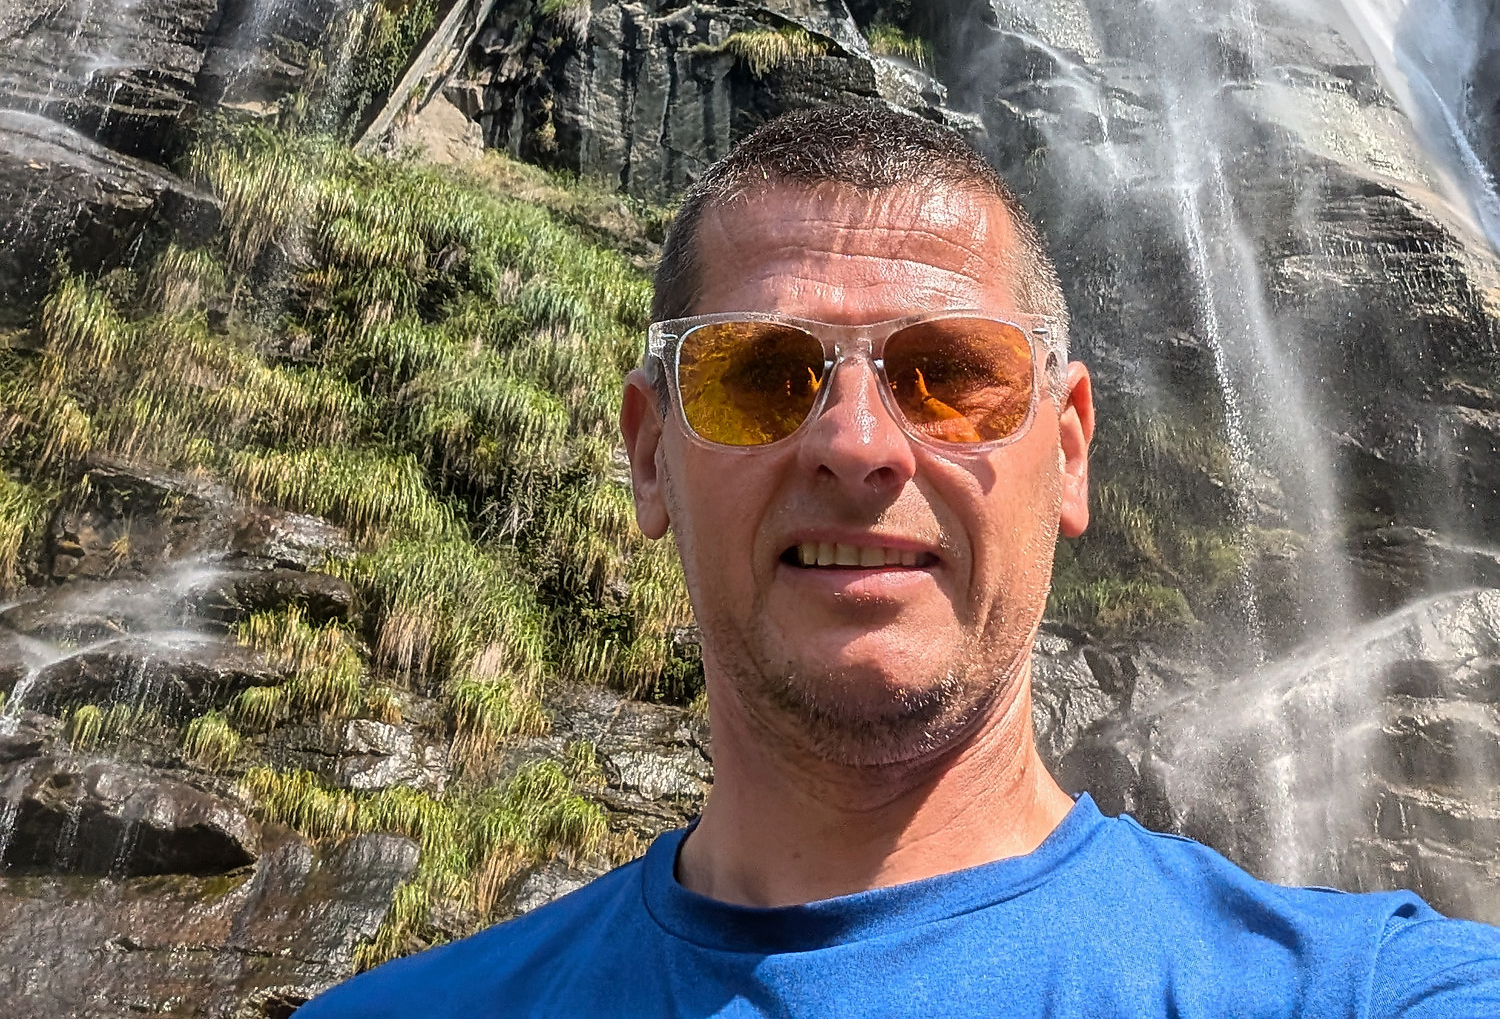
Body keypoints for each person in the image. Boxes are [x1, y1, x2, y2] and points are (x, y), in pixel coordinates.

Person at [306, 102, 1500, 1015]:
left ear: (1068, 451)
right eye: (760, 372)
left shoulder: (1373, 990)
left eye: (954, 372)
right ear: (651, 456)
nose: (859, 444)